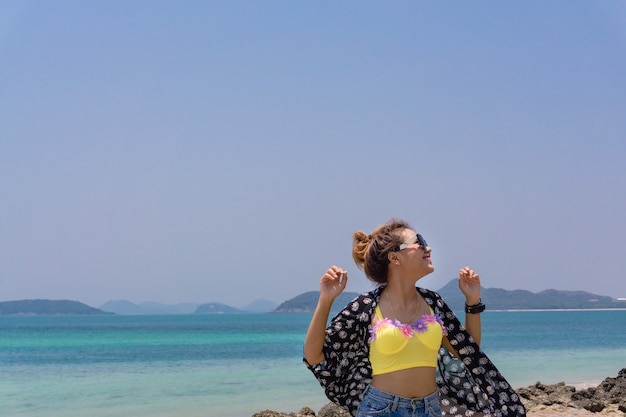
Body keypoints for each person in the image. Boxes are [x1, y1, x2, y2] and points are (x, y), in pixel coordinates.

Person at [303, 218, 525, 417]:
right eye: (418, 242)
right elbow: (314, 356)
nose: (427, 248)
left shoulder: (432, 302)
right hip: (381, 410)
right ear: (394, 258)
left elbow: (467, 350)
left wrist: (472, 301)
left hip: (431, 408)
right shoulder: (366, 307)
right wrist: (326, 300)